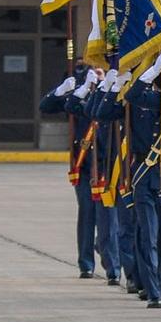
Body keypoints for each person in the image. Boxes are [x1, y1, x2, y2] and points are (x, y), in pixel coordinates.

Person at [95, 51, 161, 310]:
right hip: (143, 173)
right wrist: (115, 85)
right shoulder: (137, 98)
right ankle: (152, 289)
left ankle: (157, 277)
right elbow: (101, 112)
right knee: (147, 233)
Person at [40, 61, 120, 283]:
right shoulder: (80, 96)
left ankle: (113, 264)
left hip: (106, 166)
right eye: (91, 72)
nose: (96, 75)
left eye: (101, 71)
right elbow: (46, 106)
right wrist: (62, 90)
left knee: (110, 219)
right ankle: (86, 264)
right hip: (84, 166)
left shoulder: (113, 95)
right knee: (87, 213)